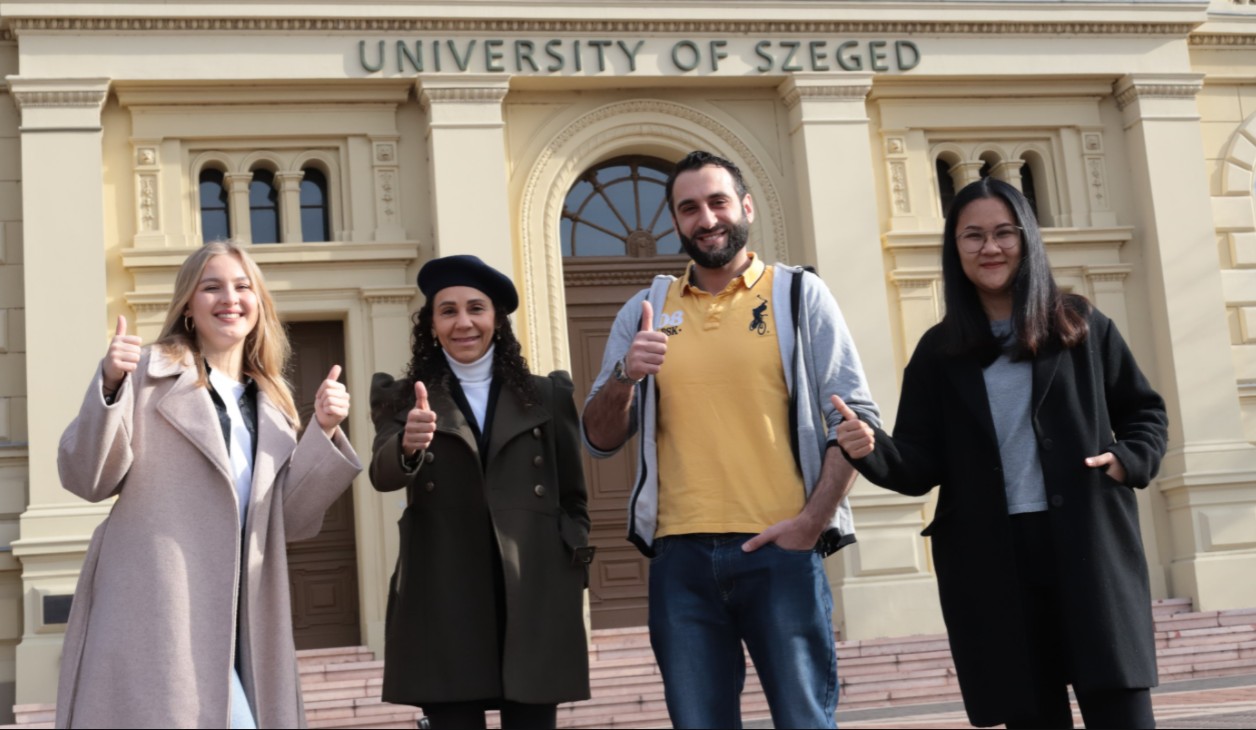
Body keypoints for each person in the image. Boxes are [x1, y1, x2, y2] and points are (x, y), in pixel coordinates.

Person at [833, 176, 1168, 729]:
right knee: (1030, 714)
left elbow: (1145, 412)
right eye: (973, 236)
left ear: (1026, 238)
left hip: (1089, 545)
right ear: (955, 248)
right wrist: (870, 450)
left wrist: (1127, 459)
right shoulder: (939, 351)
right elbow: (918, 463)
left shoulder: (1081, 325)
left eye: (1004, 233)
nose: (990, 247)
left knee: (1121, 710)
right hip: (994, 562)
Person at [581, 150, 880, 729]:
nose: (706, 218)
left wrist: (811, 524)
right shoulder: (645, 310)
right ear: (676, 221)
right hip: (679, 557)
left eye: (718, 202)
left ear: (745, 207)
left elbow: (854, 417)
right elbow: (599, 438)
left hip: (781, 550)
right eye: (689, 208)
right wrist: (625, 375)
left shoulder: (799, 295)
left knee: (804, 722)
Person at [55, 241, 362, 729]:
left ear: (259, 304)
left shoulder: (275, 405)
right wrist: (110, 384)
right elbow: (86, 478)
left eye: (243, 287)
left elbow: (290, 522)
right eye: (212, 287)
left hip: (248, 611)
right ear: (188, 306)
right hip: (162, 607)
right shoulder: (146, 375)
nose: (230, 298)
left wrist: (321, 432)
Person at [368, 254, 593, 730]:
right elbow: (383, 475)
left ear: (497, 320)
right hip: (444, 590)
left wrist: (569, 562)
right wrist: (407, 445)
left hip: (532, 587)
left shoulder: (548, 395)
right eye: (447, 311)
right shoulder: (401, 396)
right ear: (432, 325)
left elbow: (574, 495)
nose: (463, 322)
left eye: (476, 308)